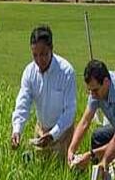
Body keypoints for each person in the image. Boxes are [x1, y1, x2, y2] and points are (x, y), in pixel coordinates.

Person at [11, 25, 76, 159]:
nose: (39, 60)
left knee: (60, 173)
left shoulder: (66, 72)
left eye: (43, 54)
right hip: (41, 131)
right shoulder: (29, 72)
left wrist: (53, 134)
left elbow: (70, 111)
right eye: (35, 55)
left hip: (63, 131)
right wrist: (17, 130)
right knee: (40, 171)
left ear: (51, 49)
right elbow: (23, 103)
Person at [67, 59, 115, 165]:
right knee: (98, 136)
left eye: (95, 90)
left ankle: (103, 167)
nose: (92, 95)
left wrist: (91, 155)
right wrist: (71, 149)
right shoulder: (96, 90)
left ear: (106, 82)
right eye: (90, 90)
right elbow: (85, 122)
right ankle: (97, 172)